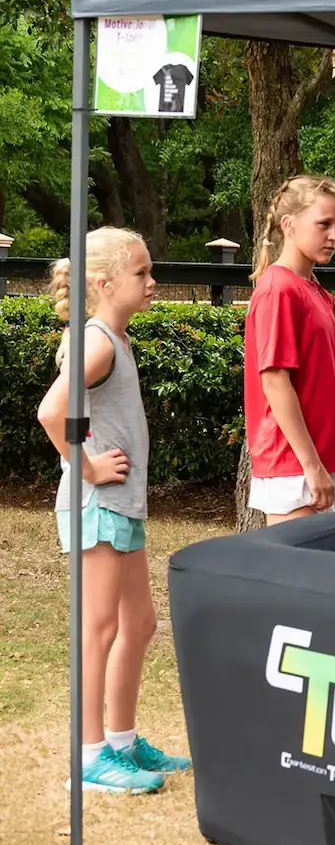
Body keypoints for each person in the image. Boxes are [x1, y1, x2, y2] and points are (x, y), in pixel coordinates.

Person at [36, 227, 190, 794]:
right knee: (98, 628)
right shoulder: (98, 341)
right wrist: (88, 466)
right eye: (142, 273)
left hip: (121, 506)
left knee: (139, 623)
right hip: (98, 504)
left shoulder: (111, 340)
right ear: (104, 284)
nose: (153, 283)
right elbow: (52, 411)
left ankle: (122, 741)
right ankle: (90, 756)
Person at [244, 175, 335, 525]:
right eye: (323, 224)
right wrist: (311, 464)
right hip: (296, 467)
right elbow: (274, 382)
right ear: (288, 225)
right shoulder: (278, 289)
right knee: (298, 577)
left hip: (331, 458)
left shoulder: (312, 288)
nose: (333, 236)